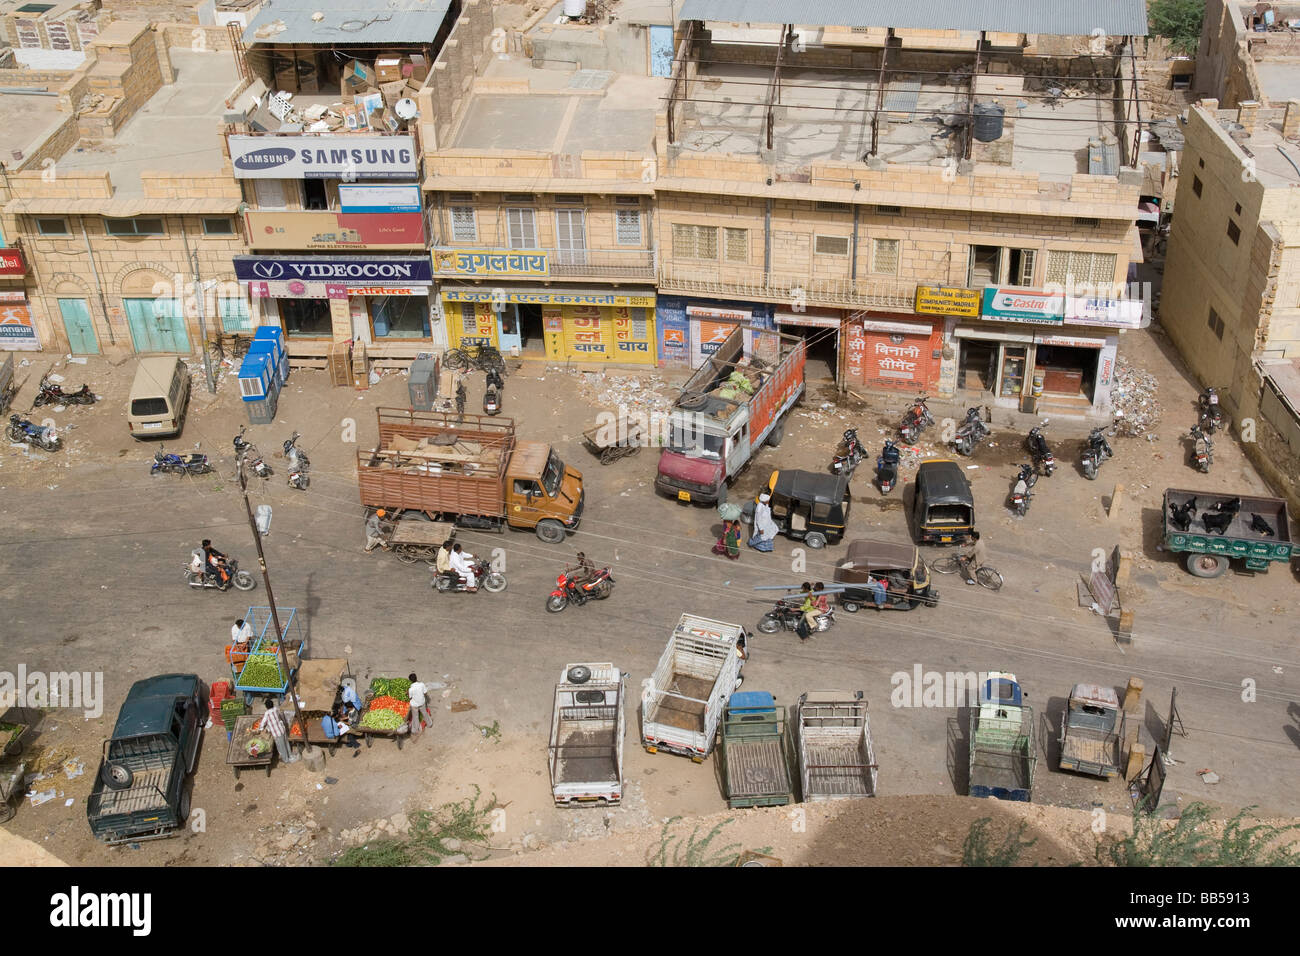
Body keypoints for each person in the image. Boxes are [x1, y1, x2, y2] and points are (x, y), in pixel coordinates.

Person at [256, 698, 297, 764]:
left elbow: (262, 724)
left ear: (266, 707)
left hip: (277, 734)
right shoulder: (276, 709)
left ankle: (286, 760)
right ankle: (290, 755)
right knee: (286, 744)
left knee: (282, 747)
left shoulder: (267, 714)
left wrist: (260, 729)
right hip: (282, 730)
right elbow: (278, 718)